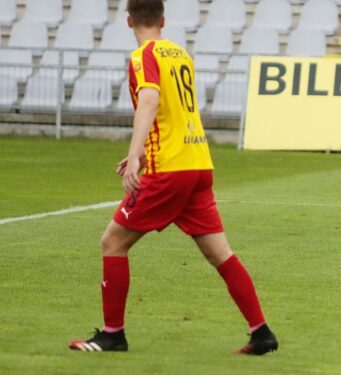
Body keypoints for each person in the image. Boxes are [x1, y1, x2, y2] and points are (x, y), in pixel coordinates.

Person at [68, 0, 278, 354]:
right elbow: (175, 114)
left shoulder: (143, 56)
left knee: (112, 243)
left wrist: (137, 154)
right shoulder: (180, 54)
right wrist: (143, 151)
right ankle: (262, 332)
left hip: (170, 170)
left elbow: (150, 102)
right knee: (220, 254)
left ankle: (112, 334)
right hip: (197, 163)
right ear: (163, 20)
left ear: (128, 20)